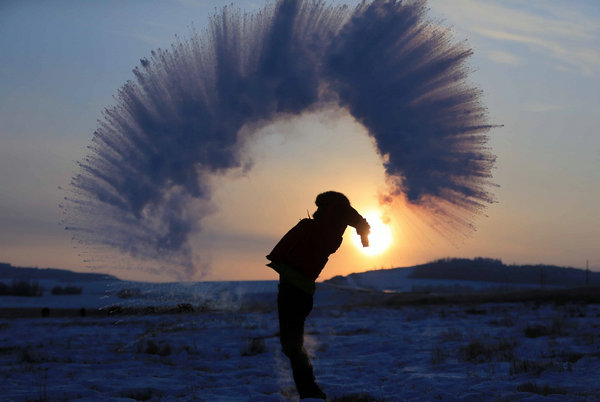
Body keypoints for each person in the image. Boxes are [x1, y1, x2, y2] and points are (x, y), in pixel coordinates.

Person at [266, 191, 370, 400]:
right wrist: (362, 231)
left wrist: (362, 229)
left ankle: (310, 392)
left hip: (294, 290)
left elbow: (344, 209)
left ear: (329, 208)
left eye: (321, 206)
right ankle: (309, 391)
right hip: (295, 287)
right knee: (292, 345)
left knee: (292, 345)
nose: (316, 211)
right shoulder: (323, 228)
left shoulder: (327, 226)